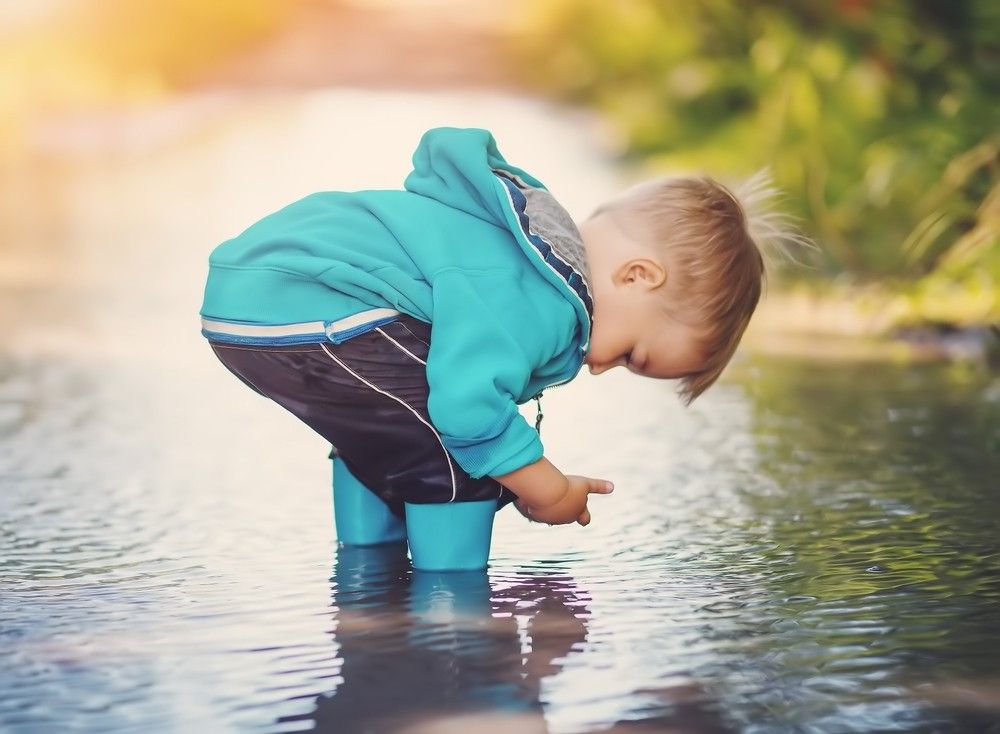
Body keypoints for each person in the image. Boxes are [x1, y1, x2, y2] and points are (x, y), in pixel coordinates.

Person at [199, 126, 804, 528]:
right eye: (630, 356)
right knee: (458, 460)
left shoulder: (521, 247)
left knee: (393, 429)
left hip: (254, 296)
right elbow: (468, 409)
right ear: (638, 276)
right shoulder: (542, 297)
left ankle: (369, 566)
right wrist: (544, 487)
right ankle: (453, 614)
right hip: (313, 305)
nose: (597, 366)